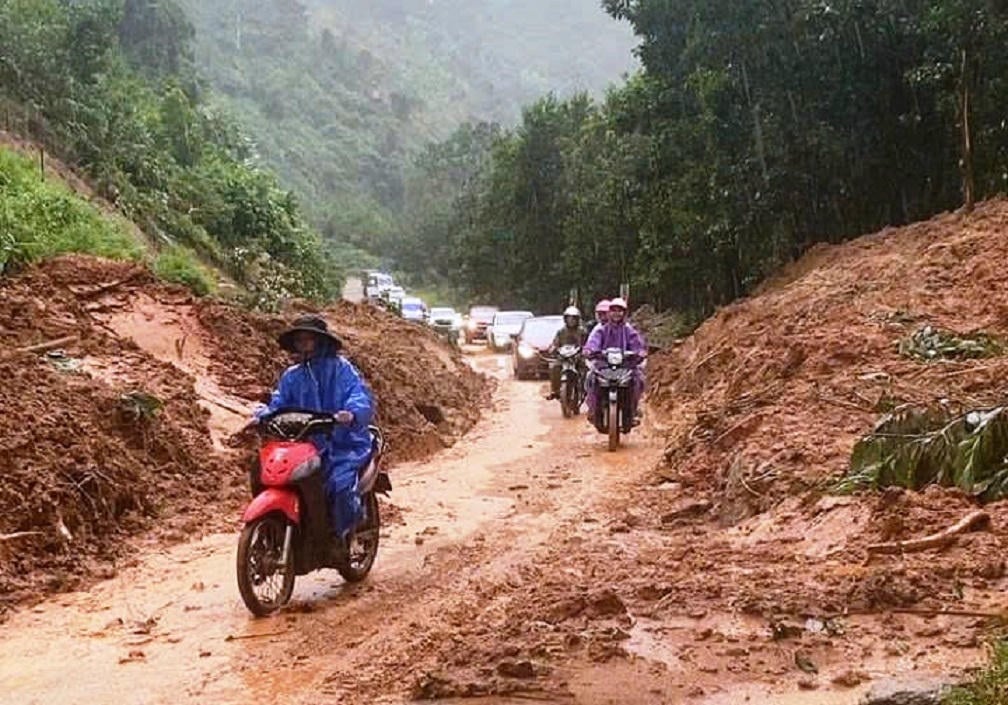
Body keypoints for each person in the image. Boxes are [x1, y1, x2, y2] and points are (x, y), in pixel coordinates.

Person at [252, 315, 375, 540]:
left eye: (308, 339)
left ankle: (345, 534)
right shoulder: (292, 376)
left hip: (343, 444)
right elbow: (278, 403)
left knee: (339, 485)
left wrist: (350, 413)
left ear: (321, 341)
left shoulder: (341, 369)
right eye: (300, 340)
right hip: (304, 443)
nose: (304, 345)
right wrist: (262, 415)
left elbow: (358, 394)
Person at [583, 297, 646, 421]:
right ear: (609, 312)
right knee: (590, 378)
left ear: (624, 313)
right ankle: (593, 408)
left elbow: (637, 343)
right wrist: (589, 349)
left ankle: (633, 409)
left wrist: (640, 352)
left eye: (620, 310)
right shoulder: (601, 329)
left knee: (639, 379)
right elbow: (593, 342)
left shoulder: (629, 330)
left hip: (625, 365)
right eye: (613, 310)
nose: (616, 313)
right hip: (604, 364)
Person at [546, 306, 587, 401]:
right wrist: (553, 349)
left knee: (586, 368)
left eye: (574, 318)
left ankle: (584, 389)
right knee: (554, 367)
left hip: (577, 357)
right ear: (565, 319)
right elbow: (555, 343)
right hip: (564, 358)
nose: (571, 320)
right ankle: (555, 390)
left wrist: (585, 350)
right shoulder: (561, 331)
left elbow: (587, 343)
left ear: (577, 319)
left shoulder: (582, 331)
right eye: (569, 318)